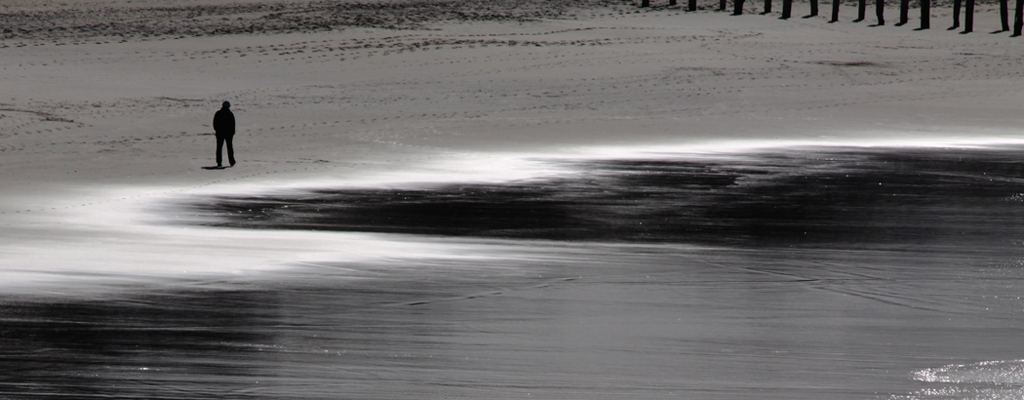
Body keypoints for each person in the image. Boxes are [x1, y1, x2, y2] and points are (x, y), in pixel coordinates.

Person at [213, 101, 236, 167]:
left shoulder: (218, 113)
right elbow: (233, 124)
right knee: (229, 148)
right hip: (228, 134)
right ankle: (231, 161)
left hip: (220, 133)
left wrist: (217, 131)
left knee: (219, 148)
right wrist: (232, 133)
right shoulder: (230, 114)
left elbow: (215, 123)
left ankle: (219, 162)